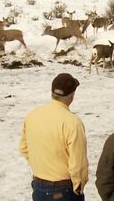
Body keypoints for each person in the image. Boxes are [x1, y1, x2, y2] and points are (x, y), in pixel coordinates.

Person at [19, 73, 89, 201]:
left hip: (39, 188)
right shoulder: (73, 122)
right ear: (72, 95)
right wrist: (79, 186)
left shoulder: (32, 115)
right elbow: (78, 163)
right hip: (64, 190)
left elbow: (24, 147)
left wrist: (42, 167)